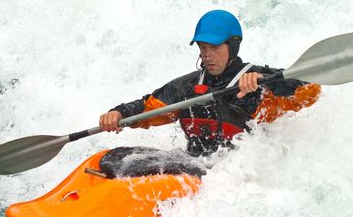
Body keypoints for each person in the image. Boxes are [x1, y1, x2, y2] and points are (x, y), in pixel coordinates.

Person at [100, 10, 321, 157]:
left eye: (214, 48)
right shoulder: (188, 86)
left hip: (245, 174)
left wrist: (266, 83)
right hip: (197, 169)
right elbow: (148, 108)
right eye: (203, 47)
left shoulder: (260, 80)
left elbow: (309, 91)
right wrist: (119, 113)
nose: (207, 55)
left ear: (232, 47)